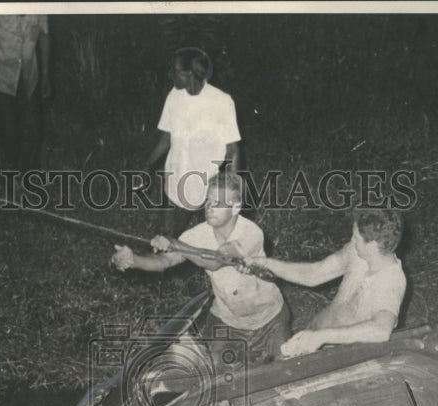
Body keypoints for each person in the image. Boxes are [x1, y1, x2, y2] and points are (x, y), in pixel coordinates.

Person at [112, 171, 289, 366]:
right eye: (208, 201)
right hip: (229, 321)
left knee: (286, 369)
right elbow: (165, 261)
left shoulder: (251, 233)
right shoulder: (196, 235)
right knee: (216, 376)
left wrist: (176, 244)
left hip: (270, 318)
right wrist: (134, 260)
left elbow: (216, 259)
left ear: (236, 207)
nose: (210, 207)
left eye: (218, 203)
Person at [249, 209, 407, 357]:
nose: (352, 241)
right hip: (313, 333)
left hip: (335, 357)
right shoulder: (358, 253)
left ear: (372, 245)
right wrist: (266, 264)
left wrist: (322, 337)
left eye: (356, 238)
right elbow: (314, 273)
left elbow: (381, 330)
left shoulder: (390, 281)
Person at [144, 48, 241, 237]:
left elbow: (233, 151)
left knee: (213, 247)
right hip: (175, 183)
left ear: (189, 73)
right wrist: (148, 165)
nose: (171, 75)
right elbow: (167, 136)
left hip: (207, 189)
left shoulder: (221, 101)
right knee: (163, 242)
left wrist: (229, 193)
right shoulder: (174, 95)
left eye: (175, 71)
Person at [0, 15, 51, 174]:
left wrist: (46, 76)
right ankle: (12, 170)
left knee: (33, 127)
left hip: (29, 77)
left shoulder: (40, 8)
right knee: (9, 128)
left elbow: (44, 35)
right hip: (2, 76)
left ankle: (31, 172)